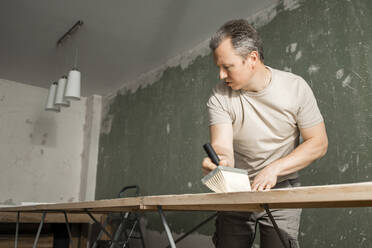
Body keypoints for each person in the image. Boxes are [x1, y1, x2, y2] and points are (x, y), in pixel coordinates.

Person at [202, 19, 328, 248]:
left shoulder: (295, 88)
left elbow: (318, 142)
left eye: (227, 67)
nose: (221, 75)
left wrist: (275, 168)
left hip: (282, 189)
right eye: (218, 67)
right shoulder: (219, 97)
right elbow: (222, 147)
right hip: (237, 193)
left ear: (252, 59)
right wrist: (220, 162)